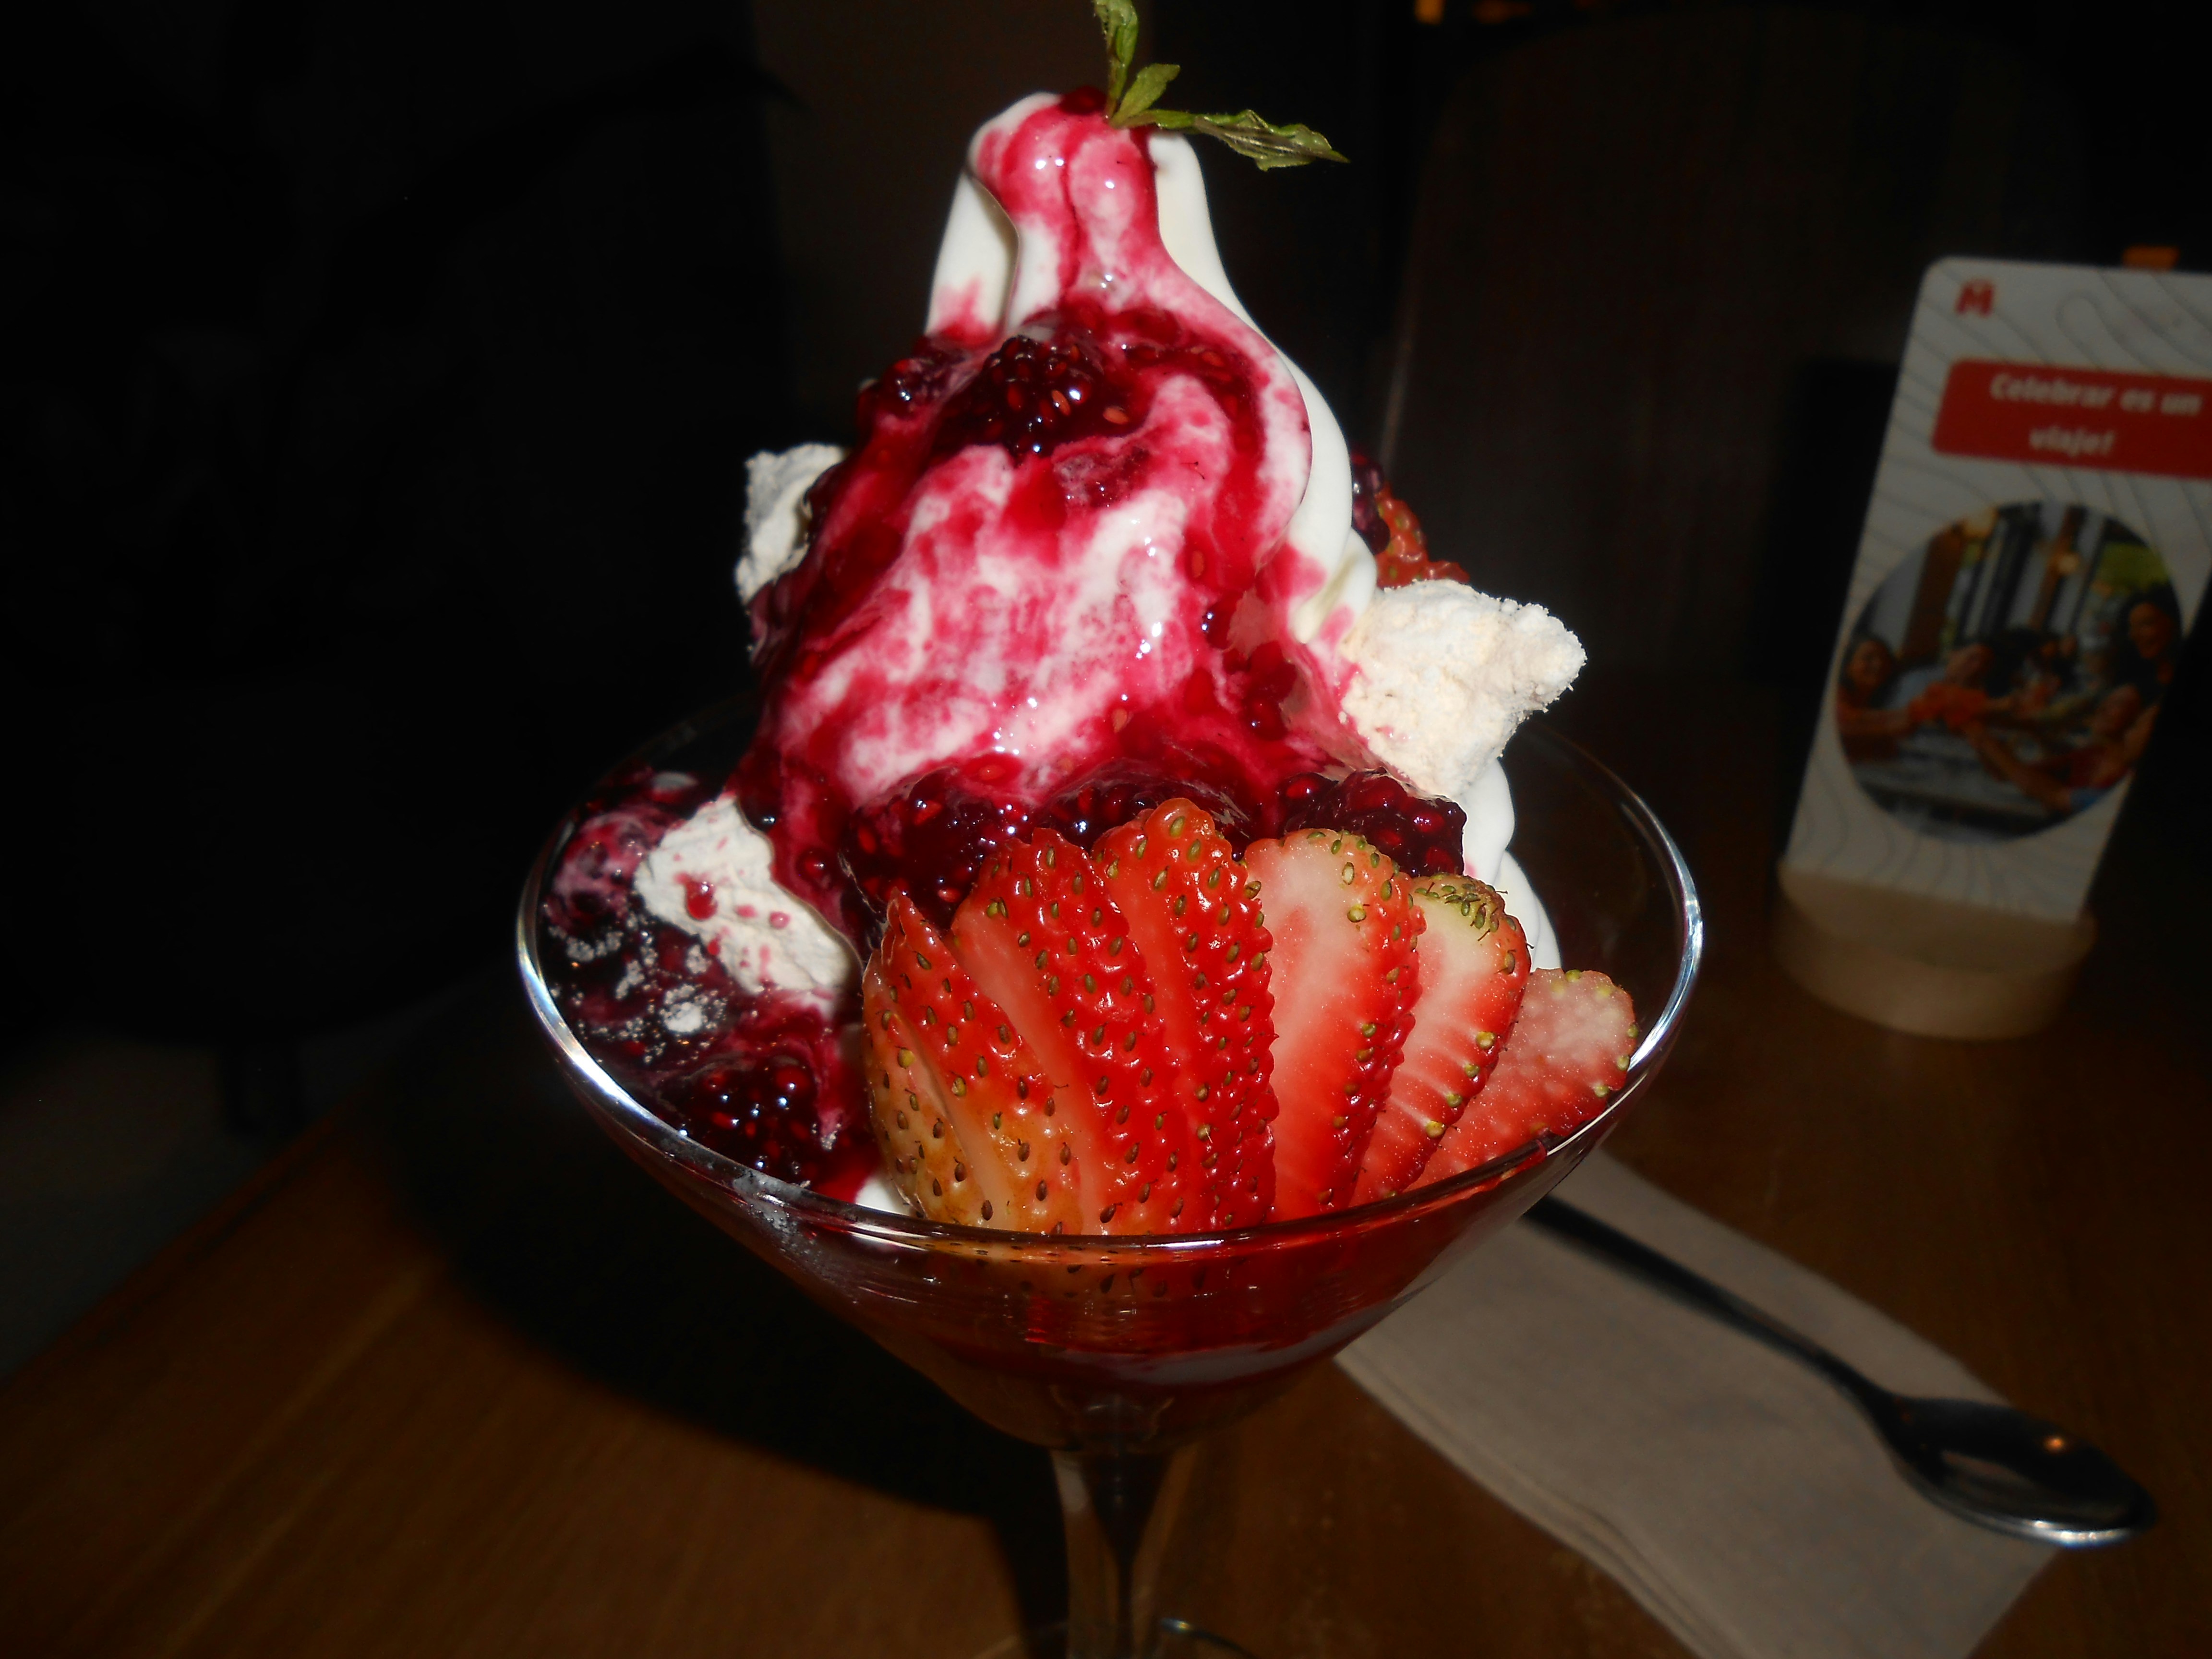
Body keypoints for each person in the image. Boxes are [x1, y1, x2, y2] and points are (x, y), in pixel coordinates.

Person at [1967, 684, 2157, 817]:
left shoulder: (2129, 780)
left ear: (2141, 719)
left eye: (2119, 703)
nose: (2104, 708)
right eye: (2107, 700)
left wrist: (1986, 742)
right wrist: (1979, 742)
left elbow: (2038, 787)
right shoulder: (2089, 755)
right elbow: (2010, 774)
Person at [1834, 635, 1917, 761]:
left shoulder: (1882, 701)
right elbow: (1839, 728)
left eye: (1884, 659)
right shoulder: (1835, 696)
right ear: (1848, 666)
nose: (1879, 664)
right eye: (1868, 658)